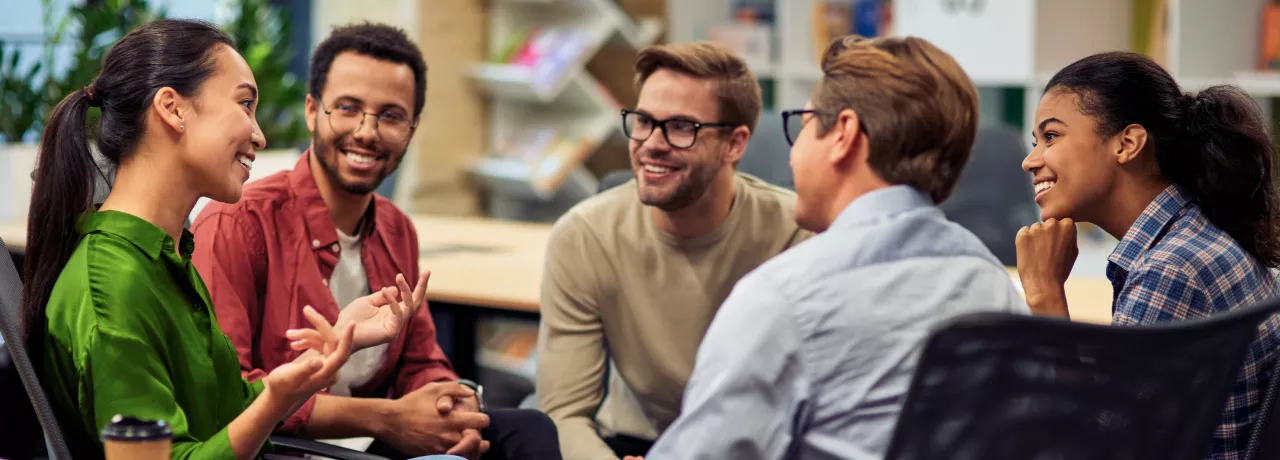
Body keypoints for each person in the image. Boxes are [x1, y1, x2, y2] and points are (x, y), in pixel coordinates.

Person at [18, 19, 410, 459]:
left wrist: (338, 342)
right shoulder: (113, 285)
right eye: (245, 104)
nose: (259, 135)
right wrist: (275, 403)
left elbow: (228, 411)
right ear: (173, 108)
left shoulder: (166, 258)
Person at [627, 34, 1029, 460]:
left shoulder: (783, 299)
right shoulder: (996, 289)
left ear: (843, 135)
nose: (792, 154)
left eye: (802, 126)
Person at [189, 22, 559, 460]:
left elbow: (420, 362)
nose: (366, 131)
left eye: (390, 115)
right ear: (312, 110)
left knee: (529, 428)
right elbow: (231, 392)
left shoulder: (396, 228)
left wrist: (451, 410)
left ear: (412, 128)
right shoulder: (238, 221)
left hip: (372, 443)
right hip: (284, 448)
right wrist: (388, 418)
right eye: (347, 108)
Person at [536, 41, 813, 460]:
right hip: (633, 445)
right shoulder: (583, 235)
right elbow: (565, 412)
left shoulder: (796, 235)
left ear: (735, 144)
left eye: (682, 127)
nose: (651, 143)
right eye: (644, 121)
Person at [1015, 51, 1280, 459]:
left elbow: (1095, 450)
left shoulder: (1171, 270)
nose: (1030, 160)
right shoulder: (1195, 237)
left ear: (1127, 144)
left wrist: (1045, 294)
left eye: (1051, 137)